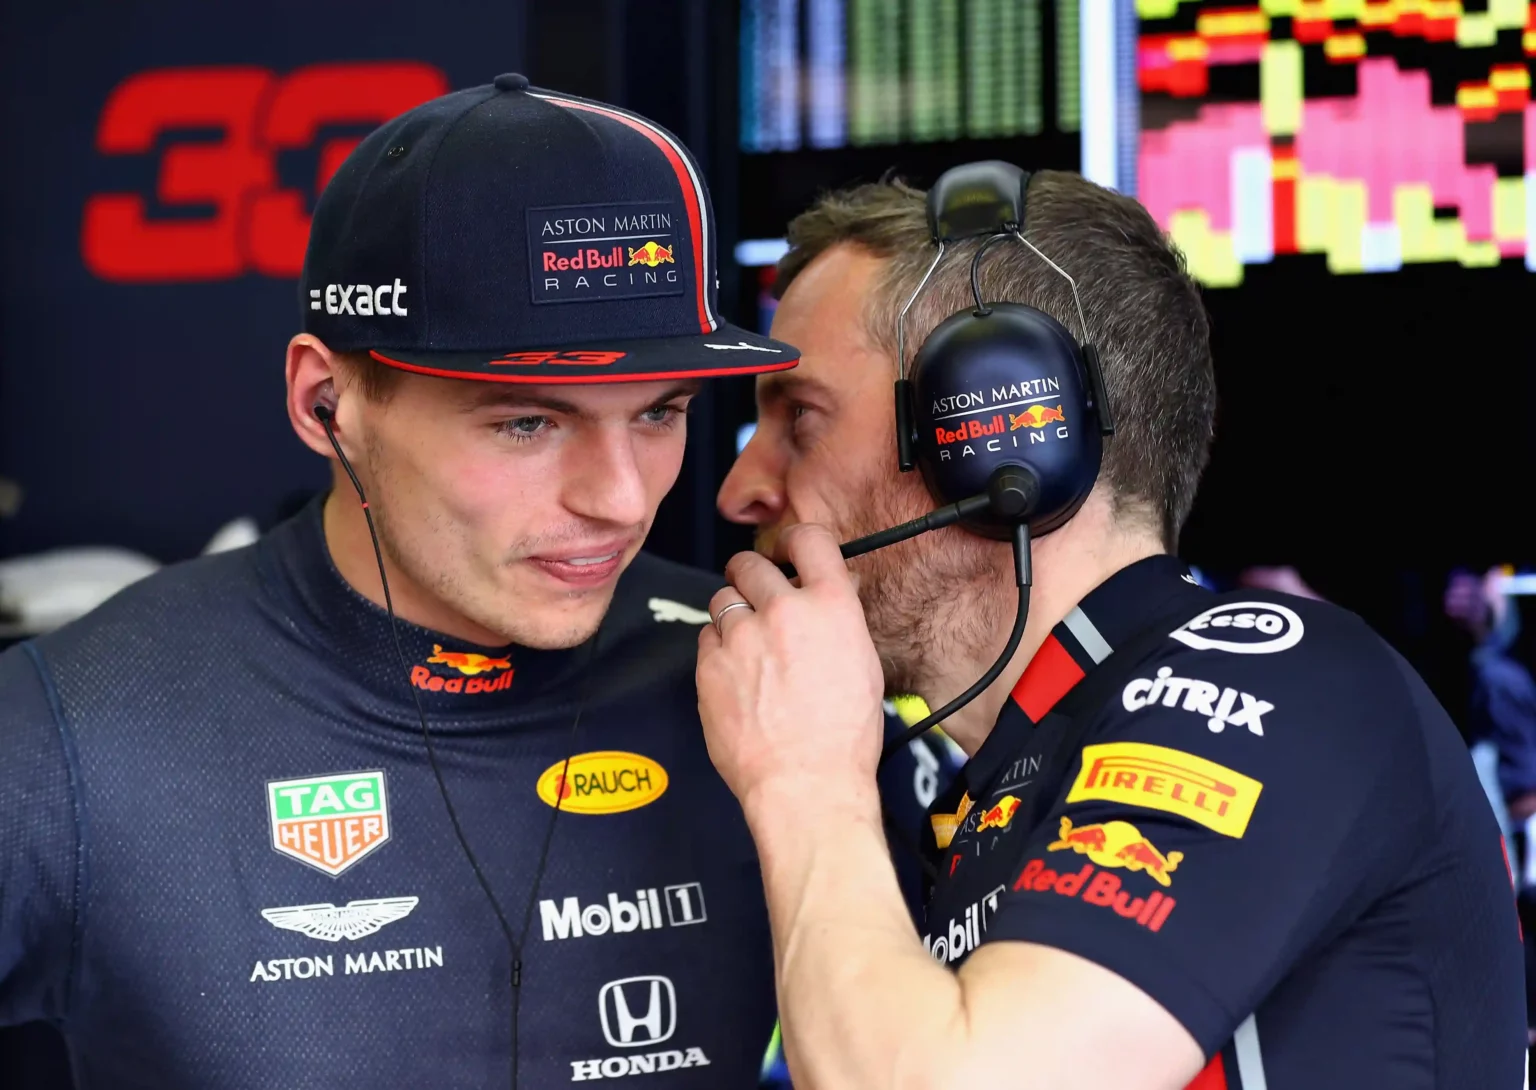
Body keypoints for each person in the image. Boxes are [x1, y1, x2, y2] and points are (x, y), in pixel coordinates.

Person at [0, 75, 817, 1089]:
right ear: (326, 404)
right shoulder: (72, 731)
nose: (619, 498)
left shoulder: (771, 686)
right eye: (529, 422)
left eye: (660, 412)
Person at [704, 171, 1526, 1088]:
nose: (740, 490)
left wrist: (805, 780)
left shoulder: (1278, 684)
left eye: (800, 418)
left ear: (1000, 438)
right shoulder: (990, 789)